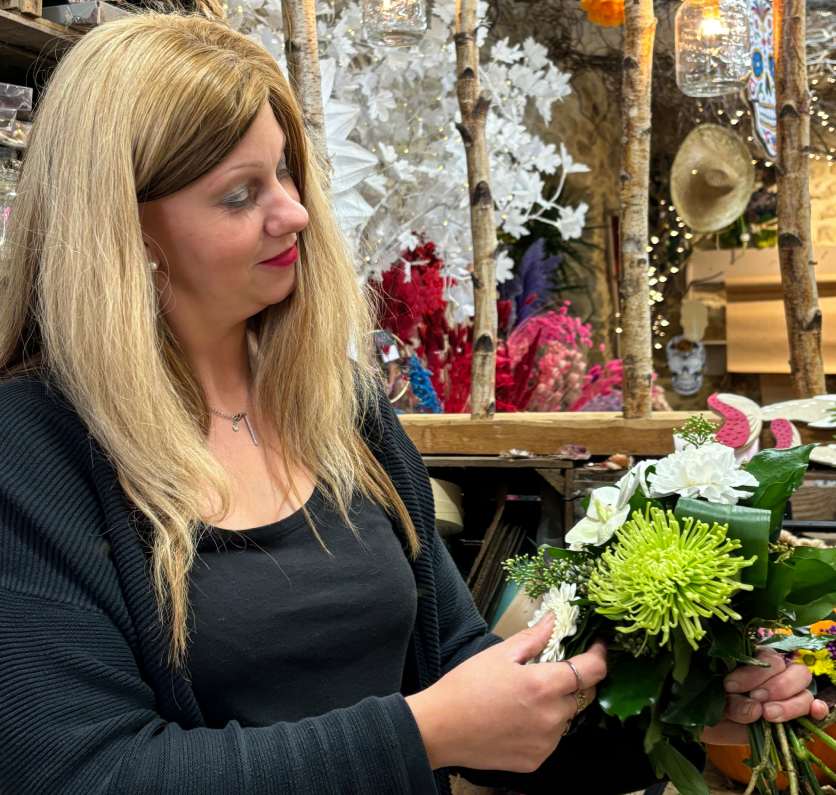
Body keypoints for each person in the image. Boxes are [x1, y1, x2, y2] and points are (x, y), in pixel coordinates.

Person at [0, 7, 826, 794]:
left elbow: (471, 687)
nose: (293, 211)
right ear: (124, 231)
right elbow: (79, 773)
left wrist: (680, 695)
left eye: (285, 169)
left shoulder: (339, 408)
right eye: (239, 194)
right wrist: (420, 733)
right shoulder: (33, 450)